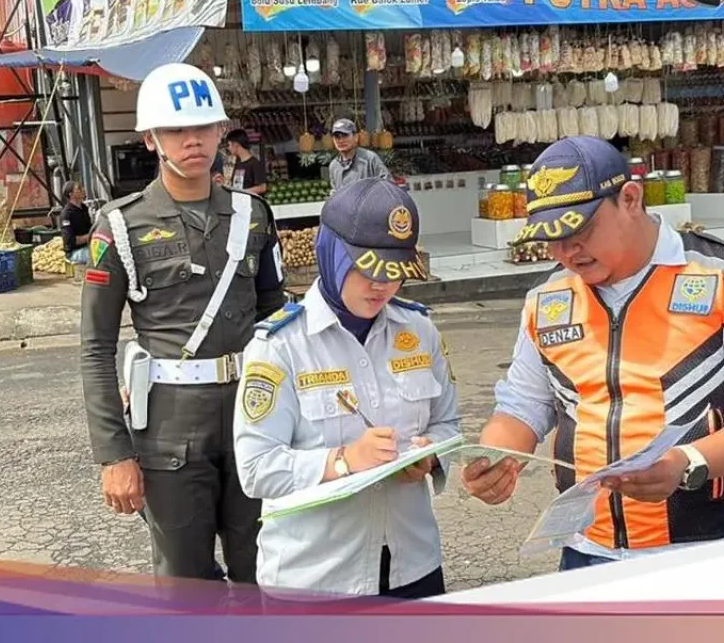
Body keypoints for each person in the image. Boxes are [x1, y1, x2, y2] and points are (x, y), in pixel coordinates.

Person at [461, 136, 724, 571]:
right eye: (551, 238)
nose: (566, 252)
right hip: (586, 555)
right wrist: (497, 460)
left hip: (707, 555)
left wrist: (688, 462)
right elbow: (522, 407)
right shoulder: (548, 296)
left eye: (579, 231)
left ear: (630, 198)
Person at [79, 62, 287, 585]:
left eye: (203, 126)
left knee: (266, 569)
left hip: (255, 415)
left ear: (221, 130)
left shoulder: (253, 215)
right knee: (186, 584)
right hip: (170, 430)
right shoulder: (120, 225)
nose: (192, 140)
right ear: (150, 139)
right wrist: (114, 454)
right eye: (175, 129)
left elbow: (277, 321)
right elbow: (96, 347)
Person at [233, 178, 459, 600]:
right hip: (315, 578)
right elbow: (256, 468)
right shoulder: (280, 345)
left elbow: (448, 423)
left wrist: (430, 455)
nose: (381, 285)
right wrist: (342, 461)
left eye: (394, 272)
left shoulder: (420, 331)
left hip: (413, 565)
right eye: (367, 269)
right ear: (332, 252)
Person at [328, 119, 389, 191]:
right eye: (337, 137)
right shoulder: (334, 166)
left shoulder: (370, 159)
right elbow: (335, 192)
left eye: (345, 135)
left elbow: (387, 186)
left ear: (356, 137)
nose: (341, 140)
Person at [222, 128, 269, 196]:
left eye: (229, 145)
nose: (228, 148)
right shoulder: (238, 163)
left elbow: (262, 187)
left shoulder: (255, 164)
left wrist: (243, 192)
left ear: (236, 144)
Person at [59, 181, 92, 266]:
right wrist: (91, 235)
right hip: (74, 252)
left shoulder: (84, 208)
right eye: (79, 188)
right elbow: (70, 241)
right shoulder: (66, 214)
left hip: (88, 246)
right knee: (97, 256)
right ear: (71, 194)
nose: (83, 190)